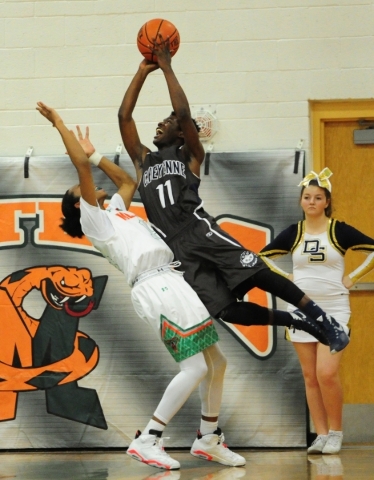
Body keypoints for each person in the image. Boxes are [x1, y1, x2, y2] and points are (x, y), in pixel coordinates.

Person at [36, 101, 248, 471]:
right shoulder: (94, 222)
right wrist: (58, 123)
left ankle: (208, 438)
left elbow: (128, 181)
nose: (88, 185)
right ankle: (148, 438)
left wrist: (98, 154)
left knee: (217, 363)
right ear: (78, 204)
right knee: (195, 368)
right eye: (79, 189)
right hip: (155, 287)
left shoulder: (116, 210)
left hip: (172, 279)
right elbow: (80, 166)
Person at [117, 36, 349, 358]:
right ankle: (299, 321)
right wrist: (142, 72)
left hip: (200, 231)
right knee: (227, 311)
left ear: (183, 133)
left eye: (167, 122)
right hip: (174, 246)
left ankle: (322, 318)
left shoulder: (190, 154)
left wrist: (167, 67)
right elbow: (124, 118)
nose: (159, 124)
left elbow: (184, 111)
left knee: (258, 273)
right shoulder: (144, 161)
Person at [260, 168, 374, 455]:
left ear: (327, 202)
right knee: (310, 375)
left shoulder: (339, 230)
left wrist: (354, 277)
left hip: (334, 309)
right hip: (300, 310)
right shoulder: (293, 233)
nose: (312, 202)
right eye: (307, 197)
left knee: (327, 372)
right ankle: (321, 434)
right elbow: (262, 258)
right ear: (301, 201)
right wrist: (285, 279)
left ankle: (336, 431)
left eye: (318, 197)